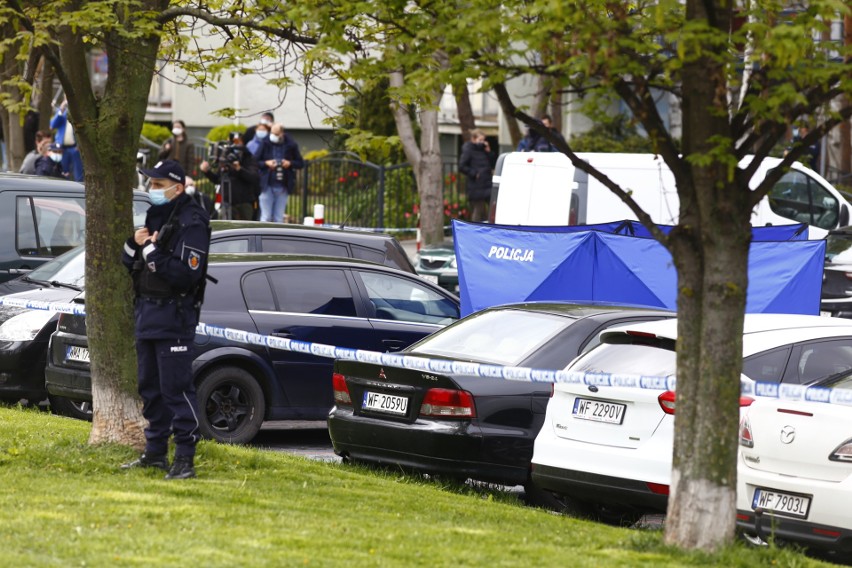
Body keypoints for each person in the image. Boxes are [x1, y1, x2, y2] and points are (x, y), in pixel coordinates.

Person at [120, 159, 210, 480]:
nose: (152, 189)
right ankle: (155, 453)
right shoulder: (155, 215)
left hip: (175, 316)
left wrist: (151, 254)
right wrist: (134, 246)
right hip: (147, 313)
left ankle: (185, 458)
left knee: (176, 389)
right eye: (151, 183)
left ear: (178, 187)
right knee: (150, 389)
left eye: (158, 184)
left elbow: (186, 274)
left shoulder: (192, 221)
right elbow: (130, 262)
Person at [199, 134, 259, 220]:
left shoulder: (249, 158)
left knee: (246, 228)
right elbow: (218, 179)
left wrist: (239, 169)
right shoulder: (225, 157)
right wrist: (207, 172)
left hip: (244, 202)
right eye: (232, 142)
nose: (235, 145)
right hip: (227, 202)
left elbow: (254, 178)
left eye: (237, 142)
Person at [253, 123, 304, 222]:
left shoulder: (291, 145)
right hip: (266, 184)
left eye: (276, 134)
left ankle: (276, 237)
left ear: (282, 134)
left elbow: (300, 163)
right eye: (272, 133)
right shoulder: (265, 143)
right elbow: (254, 161)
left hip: (282, 185)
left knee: (278, 217)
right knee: (266, 216)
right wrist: (266, 163)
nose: (273, 136)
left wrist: (289, 163)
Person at [458, 129, 495, 223]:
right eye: (480, 140)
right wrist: (474, 174)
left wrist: (489, 151)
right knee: (478, 210)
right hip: (476, 186)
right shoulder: (468, 150)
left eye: (484, 140)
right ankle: (475, 231)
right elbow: (462, 166)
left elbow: (492, 163)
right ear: (474, 139)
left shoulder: (484, 150)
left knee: (493, 209)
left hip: (487, 184)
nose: (483, 142)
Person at [50, 100, 84, 181]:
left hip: (75, 148)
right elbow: (52, 125)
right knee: (63, 172)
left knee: (78, 173)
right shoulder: (63, 113)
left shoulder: (78, 113)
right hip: (62, 148)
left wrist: (79, 145)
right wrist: (61, 109)